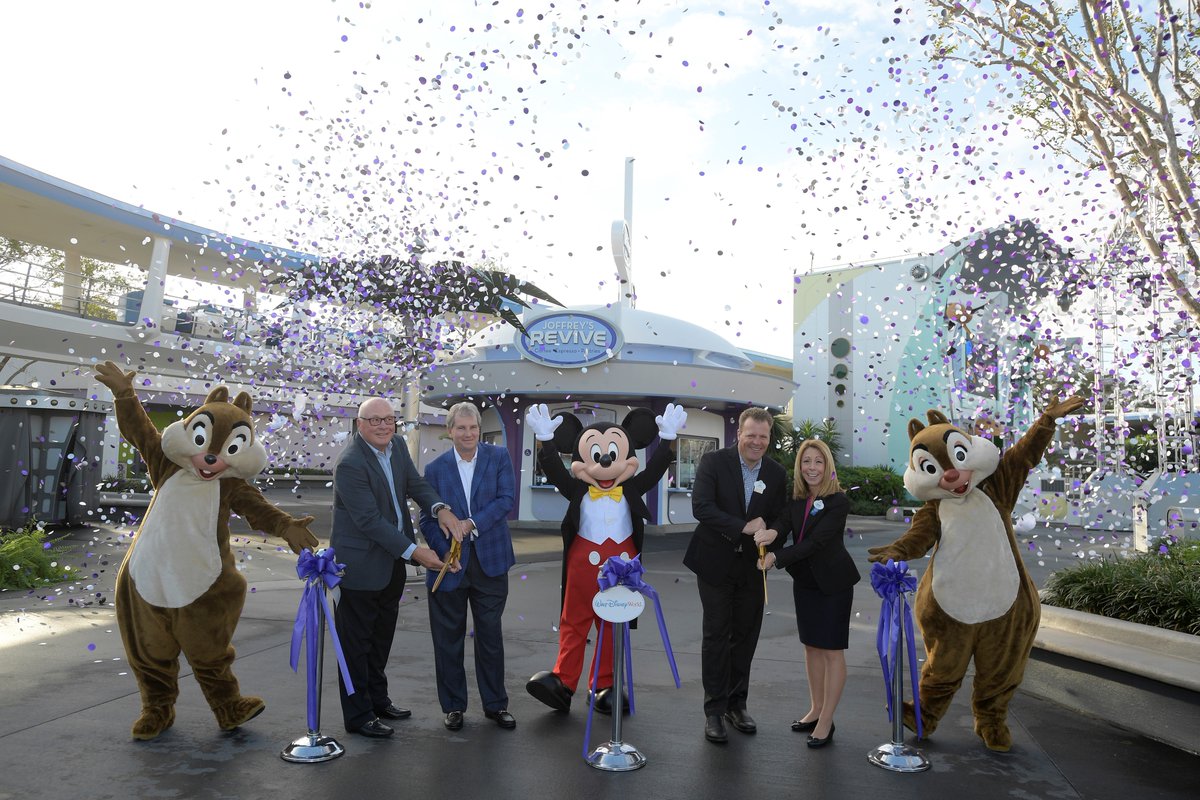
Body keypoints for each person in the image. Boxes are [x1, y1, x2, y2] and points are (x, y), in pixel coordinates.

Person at [330, 397, 465, 738]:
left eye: (389, 419)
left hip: (390, 564)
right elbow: (369, 521)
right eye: (374, 420)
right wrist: (415, 552)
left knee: (380, 638)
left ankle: (377, 700)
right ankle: (358, 715)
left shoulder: (397, 446)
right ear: (360, 424)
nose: (383, 426)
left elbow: (415, 484)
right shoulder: (350, 463)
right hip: (361, 566)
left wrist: (439, 508)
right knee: (356, 644)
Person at [683, 407, 787, 744]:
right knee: (716, 635)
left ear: (769, 438)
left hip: (753, 567)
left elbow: (783, 517)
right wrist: (743, 527)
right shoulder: (714, 462)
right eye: (751, 435)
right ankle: (713, 710)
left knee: (746, 635)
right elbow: (701, 507)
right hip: (714, 562)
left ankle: (736, 704)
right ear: (738, 434)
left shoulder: (775, 472)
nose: (757, 442)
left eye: (763, 436)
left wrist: (772, 534)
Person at [418, 402, 517, 731]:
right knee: (448, 638)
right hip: (452, 566)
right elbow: (427, 519)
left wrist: (470, 523)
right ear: (450, 431)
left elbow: (506, 500)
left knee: (490, 636)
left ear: (479, 428)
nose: (468, 434)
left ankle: (495, 704)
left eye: (472, 427)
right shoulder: (434, 469)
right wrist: (447, 550)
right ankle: (453, 706)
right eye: (460, 428)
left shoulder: (499, 457)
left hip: (491, 561)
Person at [756, 438, 860, 748]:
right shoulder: (797, 500)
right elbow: (784, 525)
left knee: (831, 650)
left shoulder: (838, 501)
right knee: (811, 648)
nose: (811, 467)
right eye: (806, 461)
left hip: (834, 585)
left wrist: (776, 557)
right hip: (806, 584)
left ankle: (827, 720)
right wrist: (769, 534)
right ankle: (815, 709)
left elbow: (816, 543)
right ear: (799, 467)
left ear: (827, 466)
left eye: (817, 461)